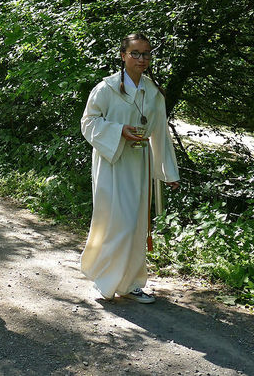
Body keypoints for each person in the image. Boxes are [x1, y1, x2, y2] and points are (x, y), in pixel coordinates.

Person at [80, 33, 180, 304]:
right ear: (123, 56)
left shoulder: (153, 92)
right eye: (135, 53)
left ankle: (133, 283)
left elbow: (160, 133)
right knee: (117, 222)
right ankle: (106, 279)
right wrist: (117, 131)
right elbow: (88, 123)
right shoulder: (106, 88)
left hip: (140, 164)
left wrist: (169, 172)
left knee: (136, 224)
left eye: (146, 54)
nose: (141, 59)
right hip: (112, 163)